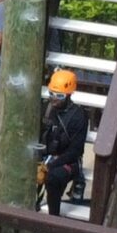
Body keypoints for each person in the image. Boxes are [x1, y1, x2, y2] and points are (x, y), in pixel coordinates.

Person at [38, 68, 90, 216]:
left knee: (54, 178)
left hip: (68, 160)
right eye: (51, 94)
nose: (54, 99)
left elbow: (76, 151)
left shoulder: (78, 116)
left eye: (59, 96)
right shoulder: (47, 109)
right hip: (47, 154)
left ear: (68, 95)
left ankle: (53, 221)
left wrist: (51, 164)